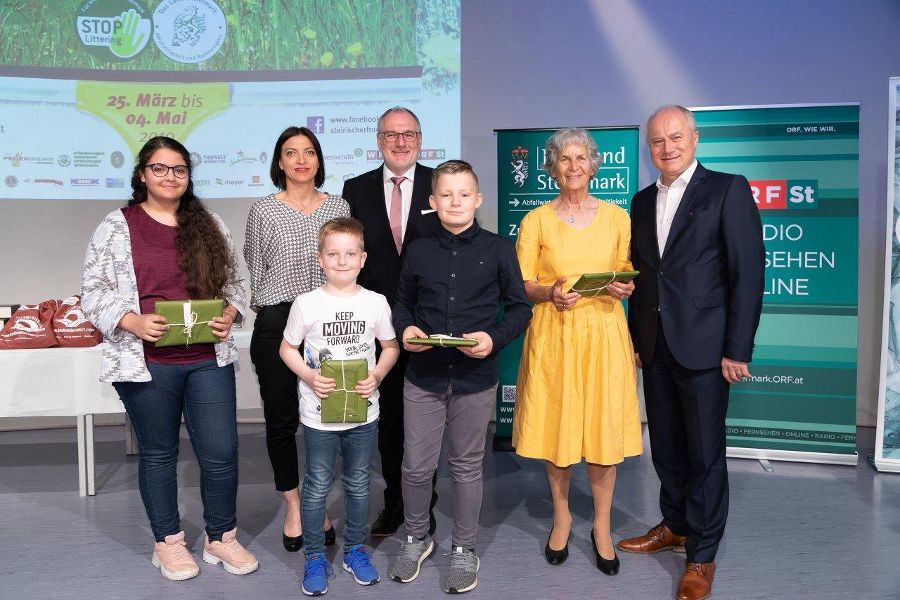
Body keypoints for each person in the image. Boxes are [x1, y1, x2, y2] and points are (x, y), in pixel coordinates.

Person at [81, 136, 258, 581]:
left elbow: (235, 283)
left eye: (178, 169)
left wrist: (231, 313)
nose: (170, 176)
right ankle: (169, 544)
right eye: (160, 168)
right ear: (142, 174)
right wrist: (131, 321)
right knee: (158, 453)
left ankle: (221, 537)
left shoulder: (210, 224)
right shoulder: (116, 226)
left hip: (206, 359)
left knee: (221, 452)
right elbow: (93, 292)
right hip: (146, 362)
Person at [618, 105, 764, 600]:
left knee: (705, 454)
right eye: (657, 141)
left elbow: (747, 274)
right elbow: (644, 276)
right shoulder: (639, 202)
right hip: (655, 348)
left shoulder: (727, 189)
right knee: (668, 449)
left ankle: (701, 555)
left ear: (694, 138)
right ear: (649, 148)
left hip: (707, 348)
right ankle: (675, 526)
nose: (667, 148)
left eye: (675, 137)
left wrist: (737, 348)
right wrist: (638, 339)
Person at [389, 160, 531, 594]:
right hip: (424, 376)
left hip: (476, 378)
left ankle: (464, 548)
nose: (455, 201)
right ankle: (416, 538)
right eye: (446, 194)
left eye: (464, 194)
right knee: (415, 467)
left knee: (467, 467)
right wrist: (405, 329)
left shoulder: (500, 248)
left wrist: (493, 337)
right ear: (432, 202)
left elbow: (520, 307)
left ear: (478, 199)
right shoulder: (418, 249)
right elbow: (402, 303)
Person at [511, 128, 642, 576]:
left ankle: (602, 526)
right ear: (552, 167)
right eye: (563, 159)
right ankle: (562, 517)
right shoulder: (536, 221)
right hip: (556, 334)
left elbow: (625, 273)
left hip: (604, 333)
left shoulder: (618, 217)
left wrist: (624, 285)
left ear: (593, 165)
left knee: (604, 434)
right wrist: (549, 291)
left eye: (580, 158)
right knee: (559, 431)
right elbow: (523, 284)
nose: (573, 166)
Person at [278, 217, 400, 596]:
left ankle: (354, 551)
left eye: (350, 254)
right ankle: (314, 556)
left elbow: (390, 347)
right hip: (318, 415)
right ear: (320, 259)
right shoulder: (306, 303)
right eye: (333, 254)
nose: (342, 261)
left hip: (364, 412)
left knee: (359, 484)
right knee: (316, 486)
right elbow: (286, 349)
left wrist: (377, 375)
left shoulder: (375, 302)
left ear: (363, 259)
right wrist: (310, 377)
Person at [244, 126, 348, 552]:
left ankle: (318, 501)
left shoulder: (339, 206)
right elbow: (255, 262)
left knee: (329, 417)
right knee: (283, 419)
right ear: (280, 162)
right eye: (291, 152)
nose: (301, 159)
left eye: (309, 152)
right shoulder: (264, 210)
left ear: (319, 160)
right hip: (279, 318)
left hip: (331, 318)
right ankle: (292, 503)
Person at [341, 106, 442, 537]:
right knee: (388, 422)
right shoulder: (355, 188)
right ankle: (395, 503)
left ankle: (425, 501)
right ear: (378, 140)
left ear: (420, 139)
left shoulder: (442, 184)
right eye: (391, 135)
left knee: (427, 420)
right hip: (377, 328)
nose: (400, 142)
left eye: (409, 134)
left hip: (431, 323)